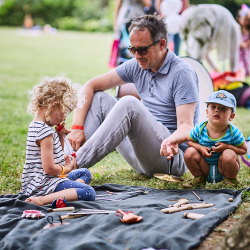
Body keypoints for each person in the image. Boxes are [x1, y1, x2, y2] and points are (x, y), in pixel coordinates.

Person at [68, 15, 199, 178]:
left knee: (129, 104)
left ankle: (72, 166)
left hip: (171, 158)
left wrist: (170, 140)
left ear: (162, 44)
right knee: (100, 99)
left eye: (142, 50)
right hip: (140, 157)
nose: (137, 56)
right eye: (132, 49)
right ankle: (63, 159)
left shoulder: (182, 73)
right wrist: (76, 127)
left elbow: (187, 126)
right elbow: (90, 86)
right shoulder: (138, 64)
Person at [22, 76, 96, 206]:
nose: (64, 118)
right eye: (64, 113)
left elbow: (55, 156)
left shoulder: (37, 126)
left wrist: (59, 136)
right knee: (89, 191)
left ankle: (69, 190)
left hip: (38, 182)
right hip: (42, 186)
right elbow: (50, 169)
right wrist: (66, 170)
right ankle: (44, 200)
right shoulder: (45, 132)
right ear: (54, 106)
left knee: (85, 172)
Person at [184, 90, 247, 188]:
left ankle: (230, 180)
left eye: (223, 108)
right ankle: (199, 178)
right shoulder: (200, 128)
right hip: (205, 167)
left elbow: (244, 150)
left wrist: (227, 147)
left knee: (228, 154)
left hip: (224, 169)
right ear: (207, 112)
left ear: (231, 116)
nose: (217, 110)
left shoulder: (233, 132)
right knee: (189, 152)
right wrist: (200, 148)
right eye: (213, 107)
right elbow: (189, 141)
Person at [180, 4, 240, 73]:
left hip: (187, 15)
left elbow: (205, 54)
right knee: (196, 58)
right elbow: (233, 55)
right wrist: (233, 72)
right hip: (204, 16)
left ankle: (190, 74)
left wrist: (216, 70)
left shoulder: (228, 20)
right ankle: (193, 76)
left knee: (193, 54)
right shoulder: (236, 29)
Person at [237, 6, 250, 76]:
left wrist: (246, 43)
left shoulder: (248, 31)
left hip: (246, 53)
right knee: (241, 68)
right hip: (239, 53)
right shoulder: (238, 29)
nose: (245, 22)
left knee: (247, 66)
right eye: (244, 19)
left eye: (247, 20)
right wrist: (240, 43)